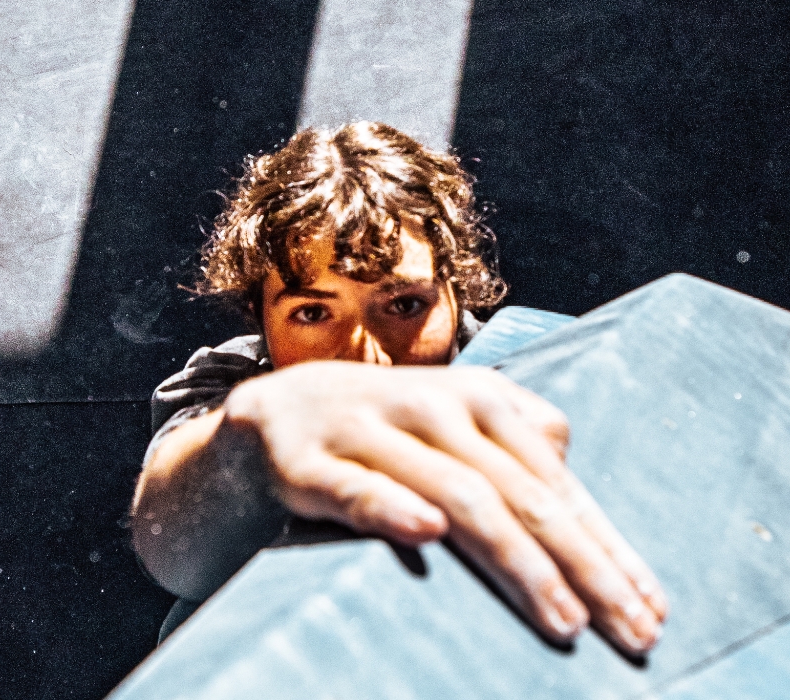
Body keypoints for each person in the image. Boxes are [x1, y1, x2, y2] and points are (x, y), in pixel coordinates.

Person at [131, 122, 668, 655]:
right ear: (260, 319)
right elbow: (175, 543)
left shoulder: (552, 367)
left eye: (404, 305)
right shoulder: (228, 384)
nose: (364, 356)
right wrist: (246, 445)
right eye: (313, 312)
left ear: (457, 295)